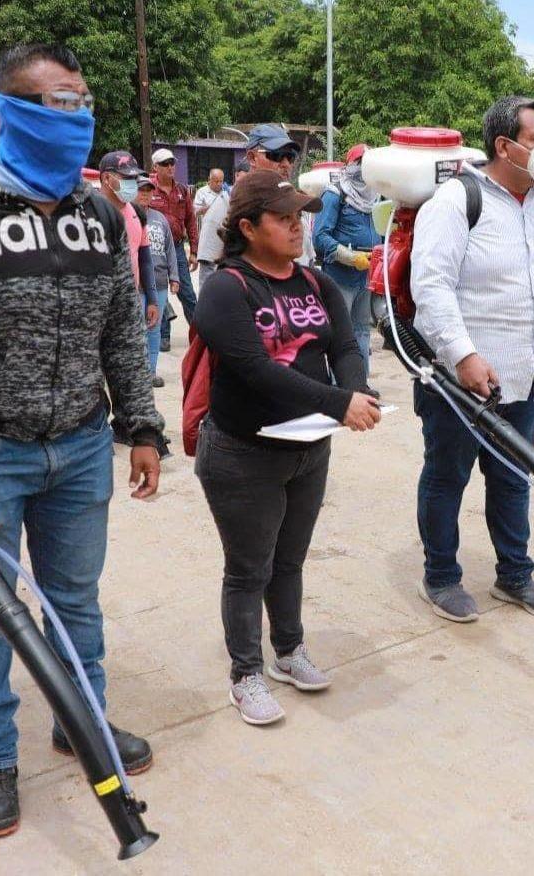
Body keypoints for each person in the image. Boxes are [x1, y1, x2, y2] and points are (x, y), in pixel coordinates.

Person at [0, 43, 163, 838]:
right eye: (59, 103)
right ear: (10, 110)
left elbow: (124, 332)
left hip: (80, 449)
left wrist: (140, 425)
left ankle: (82, 724)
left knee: (76, 600)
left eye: (83, 102)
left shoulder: (101, 215)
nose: (77, 118)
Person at [192, 171, 379, 725]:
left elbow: (344, 345)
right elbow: (254, 370)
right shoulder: (227, 288)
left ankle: (289, 651)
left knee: (290, 560)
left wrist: (356, 388)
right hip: (242, 452)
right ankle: (245, 673)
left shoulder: (315, 282)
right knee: (249, 568)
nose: (297, 229)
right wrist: (336, 403)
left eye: (300, 218)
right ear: (248, 228)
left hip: (308, 447)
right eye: (284, 219)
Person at [410, 95, 534, 623]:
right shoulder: (457, 200)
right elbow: (431, 286)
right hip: (461, 382)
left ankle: (515, 574)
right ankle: (441, 577)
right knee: (447, 476)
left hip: (523, 377)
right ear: (505, 146)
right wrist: (463, 355)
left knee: (512, 476)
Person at [98, 150, 161, 426]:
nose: (132, 185)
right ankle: (97, 424)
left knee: (130, 364)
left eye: (135, 179)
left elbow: (144, 257)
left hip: (130, 297)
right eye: (126, 179)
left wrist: (151, 299)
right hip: (98, 301)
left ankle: (131, 423)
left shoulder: (135, 212)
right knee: (95, 368)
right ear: (107, 179)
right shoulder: (90, 213)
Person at [314, 143, 382, 384]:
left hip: (367, 276)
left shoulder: (376, 195)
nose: (365, 169)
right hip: (340, 277)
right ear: (351, 166)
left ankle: (360, 384)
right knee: (339, 333)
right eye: (361, 163)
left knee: (362, 331)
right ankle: (338, 385)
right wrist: (350, 258)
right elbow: (320, 237)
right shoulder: (335, 194)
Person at [148, 148, 198, 352]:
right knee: (159, 292)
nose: (170, 167)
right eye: (165, 164)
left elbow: (191, 221)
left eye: (172, 163)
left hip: (177, 248)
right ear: (155, 167)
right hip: (154, 249)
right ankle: (163, 336)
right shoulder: (148, 189)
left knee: (187, 292)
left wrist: (194, 250)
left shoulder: (182, 190)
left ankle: (200, 333)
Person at [243, 125, 316, 266]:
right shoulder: (236, 206)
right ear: (252, 158)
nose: (286, 164)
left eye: (290, 157)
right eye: (276, 155)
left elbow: (307, 256)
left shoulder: (295, 202)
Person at [136, 175, 179, 385]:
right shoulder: (127, 216)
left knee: (154, 328)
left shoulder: (160, 219)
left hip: (160, 282)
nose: (145, 194)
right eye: (141, 190)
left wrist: (174, 277)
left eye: (148, 190)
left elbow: (170, 250)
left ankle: (151, 372)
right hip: (136, 285)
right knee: (137, 329)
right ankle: (138, 373)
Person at [195, 168, 230, 271]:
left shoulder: (226, 193)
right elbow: (195, 211)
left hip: (222, 241)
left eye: (221, 181)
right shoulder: (202, 192)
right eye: (216, 181)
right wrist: (208, 208)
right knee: (206, 276)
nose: (219, 184)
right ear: (209, 180)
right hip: (208, 240)